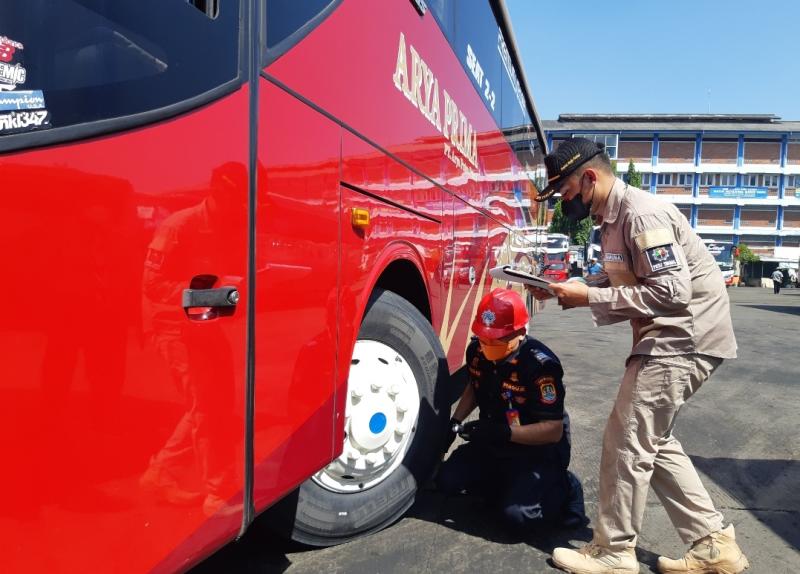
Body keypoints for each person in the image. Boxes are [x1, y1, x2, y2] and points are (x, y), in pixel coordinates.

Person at [528, 138, 749, 574]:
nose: (564, 203)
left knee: (627, 439)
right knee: (652, 440)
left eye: (567, 193)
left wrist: (589, 297)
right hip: (670, 337)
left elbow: (672, 290)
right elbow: (618, 273)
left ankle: (614, 552)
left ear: (589, 178)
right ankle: (712, 545)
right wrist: (564, 287)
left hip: (681, 338)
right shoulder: (611, 219)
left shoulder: (641, 213)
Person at [437, 288, 587, 533]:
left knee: (518, 518)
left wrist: (503, 433)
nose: (487, 346)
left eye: (496, 340)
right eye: (483, 337)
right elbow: (475, 386)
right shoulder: (477, 352)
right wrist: (454, 422)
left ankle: (566, 486)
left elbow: (553, 430)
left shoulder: (540, 366)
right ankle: (506, 484)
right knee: (447, 481)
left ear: (519, 333)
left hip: (536, 450)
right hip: (495, 440)